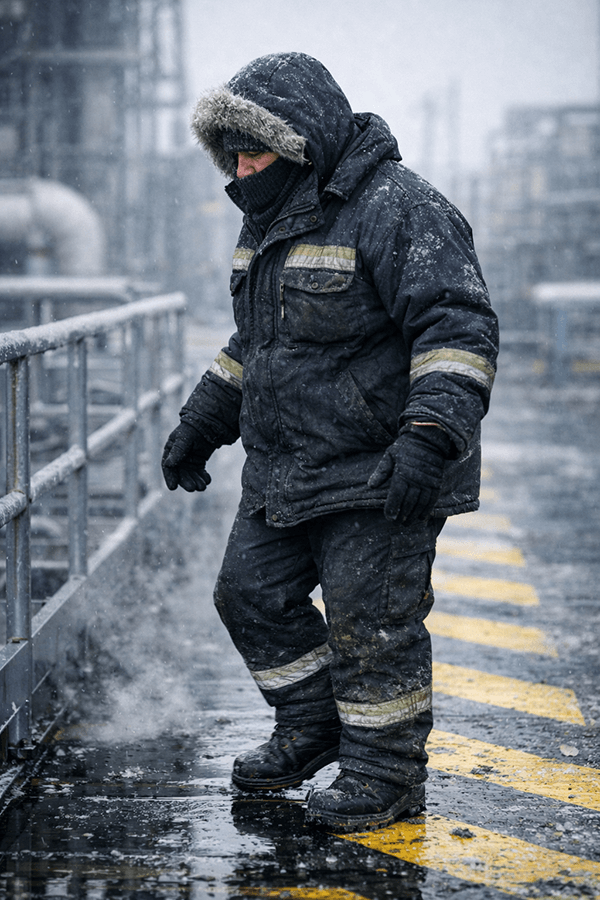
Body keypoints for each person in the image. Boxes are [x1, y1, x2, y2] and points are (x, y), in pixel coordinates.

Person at [162, 52, 499, 833]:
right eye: (232, 156)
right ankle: (312, 724)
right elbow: (258, 341)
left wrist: (429, 437)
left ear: (301, 142)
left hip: (379, 470)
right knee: (248, 596)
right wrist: (202, 421)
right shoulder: (266, 218)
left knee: (370, 628)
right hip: (286, 467)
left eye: (254, 152)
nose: (242, 171)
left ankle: (384, 773)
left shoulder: (401, 209)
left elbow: (458, 329)